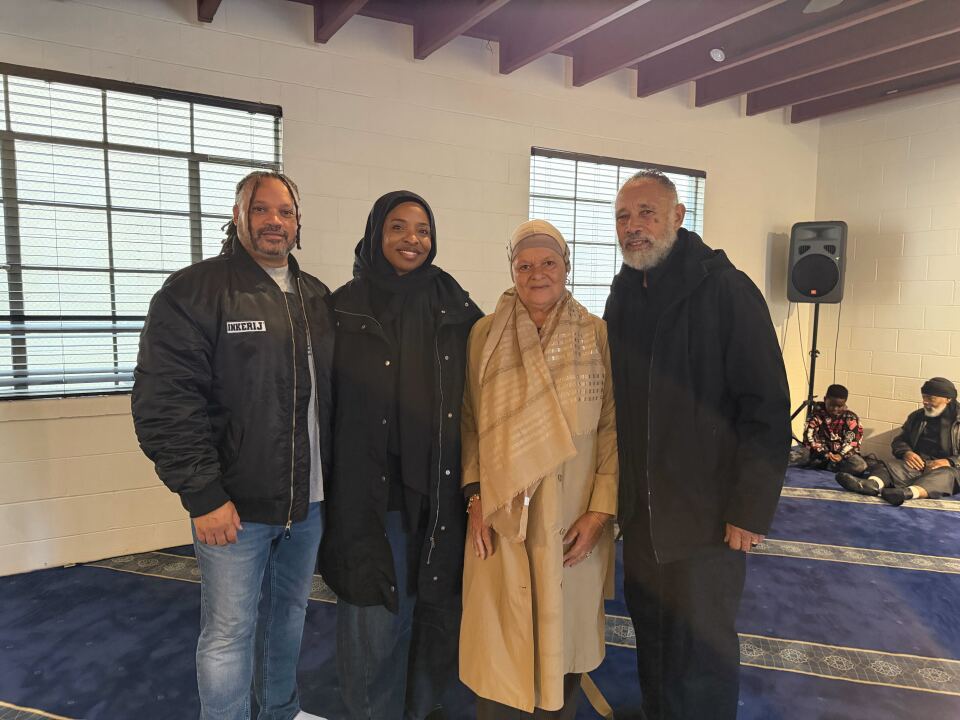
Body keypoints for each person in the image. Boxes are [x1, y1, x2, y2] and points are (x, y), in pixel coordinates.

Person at [132, 171, 332, 720]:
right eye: (261, 209)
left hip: (307, 503)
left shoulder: (316, 297)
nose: (275, 220)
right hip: (232, 508)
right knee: (227, 632)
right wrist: (203, 494)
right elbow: (165, 402)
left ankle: (280, 711)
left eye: (285, 211)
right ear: (238, 217)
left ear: (297, 222)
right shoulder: (193, 292)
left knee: (289, 616)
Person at [604, 171, 790, 720]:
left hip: (709, 519)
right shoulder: (623, 293)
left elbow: (766, 407)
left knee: (702, 647)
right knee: (654, 635)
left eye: (646, 213)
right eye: (623, 216)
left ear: (679, 217)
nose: (633, 227)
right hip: (643, 515)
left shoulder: (726, 290)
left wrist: (749, 510)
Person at [319, 190, 482, 720]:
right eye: (398, 227)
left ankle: (421, 706)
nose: (412, 239)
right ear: (375, 233)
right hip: (368, 495)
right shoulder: (341, 307)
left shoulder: (456, 307)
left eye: (423, 230)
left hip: (438, 491)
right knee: (373, 616)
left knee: (430, 607)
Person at [459, 219, 618, 719]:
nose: (537, 273)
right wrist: (476, 494)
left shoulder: (595, 333)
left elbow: (612, 426)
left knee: (559, 643)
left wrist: (600, 512)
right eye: (524, 265)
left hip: (572, 513)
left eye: (548, 262)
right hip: (503, 512)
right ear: (511, 270)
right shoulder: (485, 332)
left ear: (566, 266)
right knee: (502, 639)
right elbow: (469, 421)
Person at [836, 377, 960, 505]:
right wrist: (906, 452)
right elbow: (900, 440)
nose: (925, 402)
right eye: (924, 397)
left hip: (949, 469)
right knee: (888, 465)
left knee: (946, 477)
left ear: (948, 399)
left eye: (930, 398)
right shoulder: (917, 416)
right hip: (918, 465)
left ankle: (906, 493)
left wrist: (949, 462)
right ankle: (872, 484)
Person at [790, 384, 867, 474]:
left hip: (841, 455)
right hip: (819, 453)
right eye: (831, 405)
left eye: (839, 406)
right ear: (825, 399)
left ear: (845, 403)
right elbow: (809, 435)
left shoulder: (851, 418)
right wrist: (824, 453)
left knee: (860, 465)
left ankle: (827, 465)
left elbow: (853, 442)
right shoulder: (816, 414)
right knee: (797, 456)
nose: (835, 409)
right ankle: (827, 465)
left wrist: (840, 455)